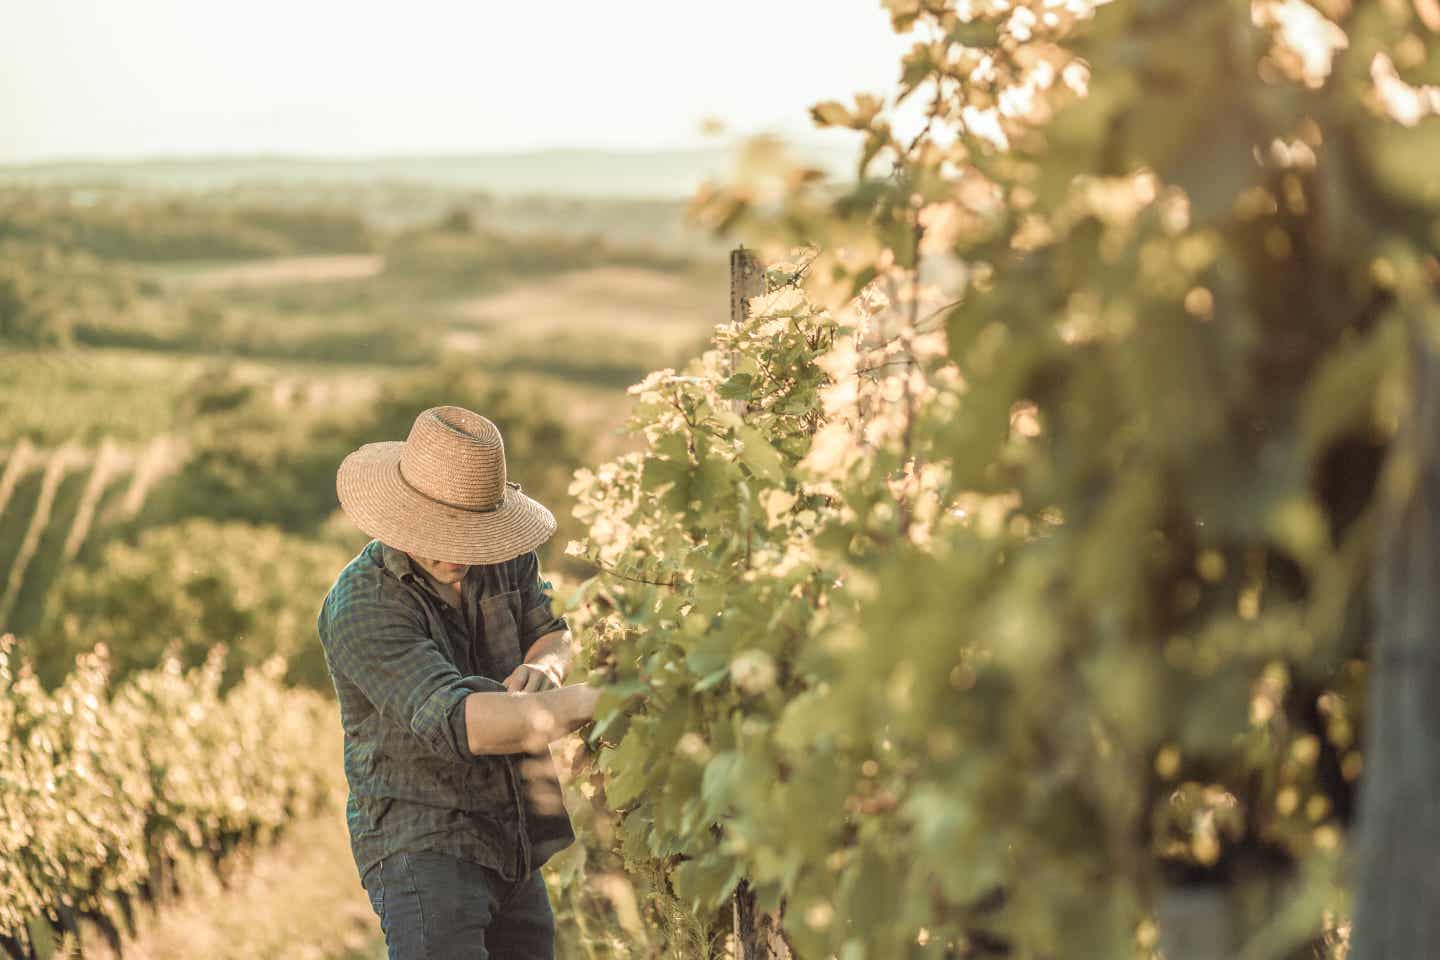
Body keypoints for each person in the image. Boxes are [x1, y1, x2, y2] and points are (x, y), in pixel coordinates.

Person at [317, 404, 600, 959]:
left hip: (511, 831)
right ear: (402, 516)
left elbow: (554, 632)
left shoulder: (501, 555)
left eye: (471, 533)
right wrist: (600, 701)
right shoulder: (362, 606)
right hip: (421, 842)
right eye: (438, 533)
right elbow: (465, 724)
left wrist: (547, 667)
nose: (456, 553)